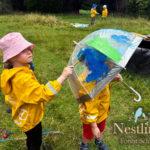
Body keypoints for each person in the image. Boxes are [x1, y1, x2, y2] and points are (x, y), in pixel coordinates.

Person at [0, 32, 73, 150]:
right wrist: (62, 77)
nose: (30, 51)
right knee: (35, 141)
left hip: (24, 116)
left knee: (31, 139)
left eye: (28, 48)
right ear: (12, 57)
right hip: (30, 120)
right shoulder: (22, 78)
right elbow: (43, 93)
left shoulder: (16, 70)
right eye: (23, 50)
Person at [77, 63, 122, 150]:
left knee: (101, 128)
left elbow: (103, 83)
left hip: (102, 110)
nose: (112, 65)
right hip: (89, 116)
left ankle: (99, 141)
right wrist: (93, 125)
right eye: (110, 64)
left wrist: (112, 78)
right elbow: (89, 107)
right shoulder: (88, 82)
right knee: (88, 132)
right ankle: (84, 144)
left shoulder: (102, 72)